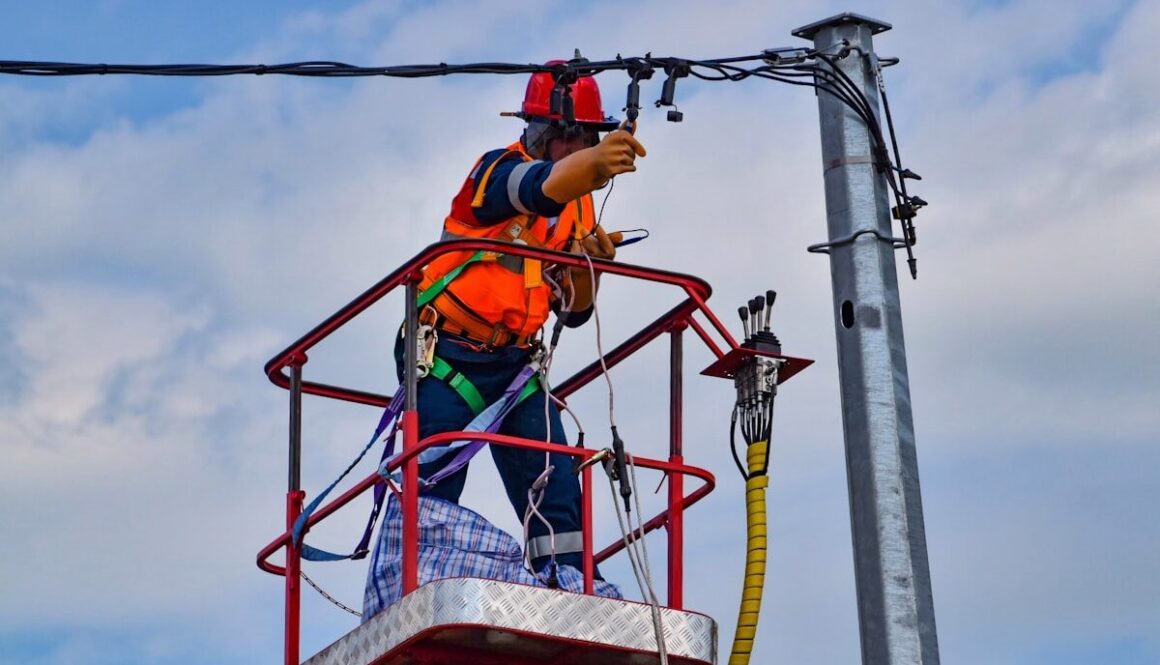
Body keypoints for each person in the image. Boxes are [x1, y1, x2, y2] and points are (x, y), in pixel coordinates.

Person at [362, 62, 646, 618]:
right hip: (449, 354)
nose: (576, 146)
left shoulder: (580, 205)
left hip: (517, 367)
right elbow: (535, 191)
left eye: (585, 138)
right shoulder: (492, 173)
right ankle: (412, 591)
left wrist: (586, 269)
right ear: (540, 131)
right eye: (569, 136)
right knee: (433, 476)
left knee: (556, 488)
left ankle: (571, 593)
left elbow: (574, 314)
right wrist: (589, 164)